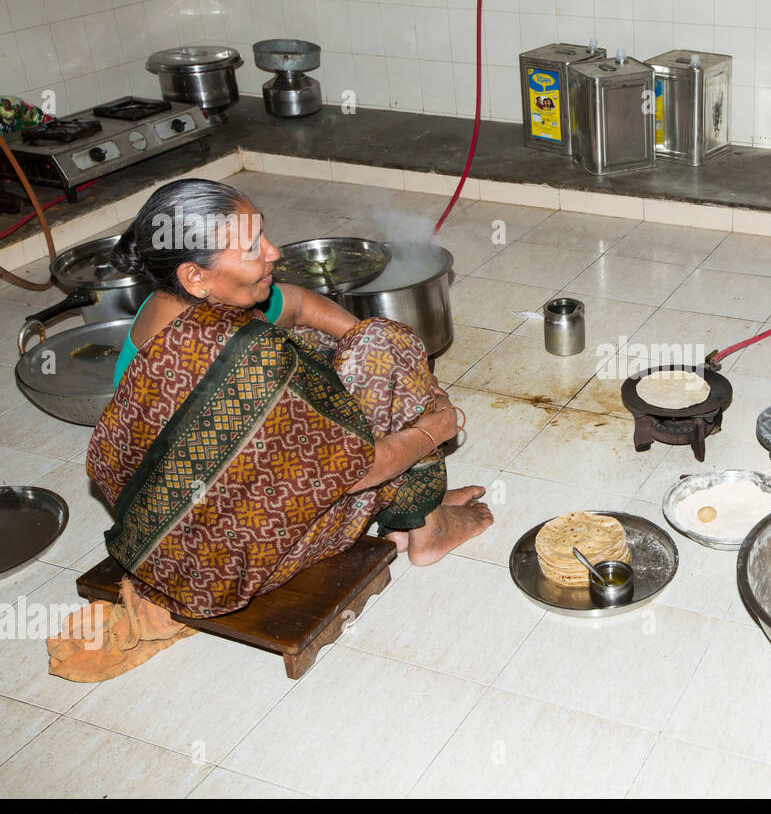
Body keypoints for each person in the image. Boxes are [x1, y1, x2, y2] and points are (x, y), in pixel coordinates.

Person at [49, 179, 492, 681]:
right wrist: (430, 425)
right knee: (386, 353)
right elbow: (358, 470)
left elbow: (298, 305)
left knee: (346, 344)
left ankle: (416, 500)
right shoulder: (241, 363)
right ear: (195, 275)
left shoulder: (170, 311)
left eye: (263, 234)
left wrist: (361, 345)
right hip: (235, 564)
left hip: (177, 537)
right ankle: (427, 528)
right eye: (251, 248)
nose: (273, 252)